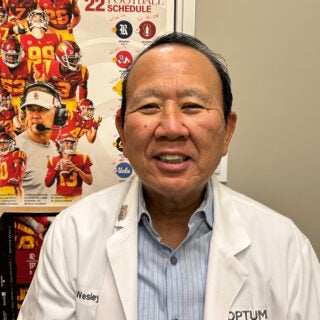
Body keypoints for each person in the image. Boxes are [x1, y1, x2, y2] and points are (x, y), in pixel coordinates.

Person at [17, 32, 320, 319]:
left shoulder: (285, 247)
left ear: (227, 131)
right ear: (122, 129)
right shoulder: (72, 234)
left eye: (192, 106)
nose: (171, 128)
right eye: (149, 106)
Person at [15, 82, 67, 199]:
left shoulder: (57, 149)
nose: (35, 115)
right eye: (30, 109)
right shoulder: (12, 149)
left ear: (59, 114)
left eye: (42, 109)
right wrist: (29, 218)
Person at [44, 132, 93, 204]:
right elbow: (47, 184)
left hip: (76, 199)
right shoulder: (53, 160)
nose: (70, 145)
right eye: (67, 143)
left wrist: (78, 170)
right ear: (60, 144)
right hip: (59, 200)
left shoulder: (83, 158)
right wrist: (55, 170)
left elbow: (89, 181)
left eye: (71, 143)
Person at [0, 131, 26, 204]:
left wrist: (16, 177)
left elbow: (19, 166)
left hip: (12, 189)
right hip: (1, 190)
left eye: (4, 143)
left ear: (11, 143)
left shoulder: (16, 154)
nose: (2, 145)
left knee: (15, 213)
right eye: (0, 143)